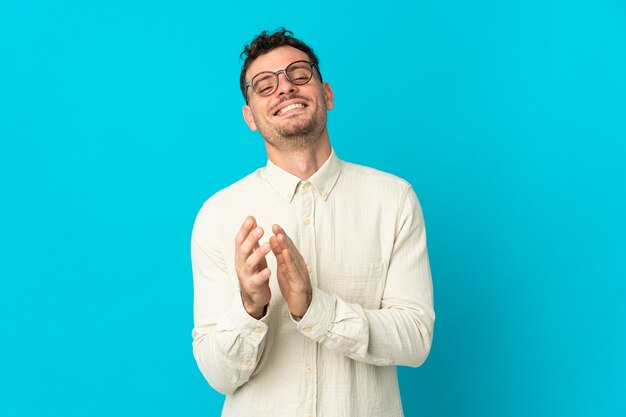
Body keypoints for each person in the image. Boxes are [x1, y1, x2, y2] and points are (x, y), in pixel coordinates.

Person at [191, 28, 435, 417]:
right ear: (249, 117)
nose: (285, 88)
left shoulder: (394, 199)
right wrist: (250, 308)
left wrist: (315, 309)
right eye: (265, 85)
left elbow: (416, 339)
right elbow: (219, 376)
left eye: (299, 74)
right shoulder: (219, 214)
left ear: (327, 94)